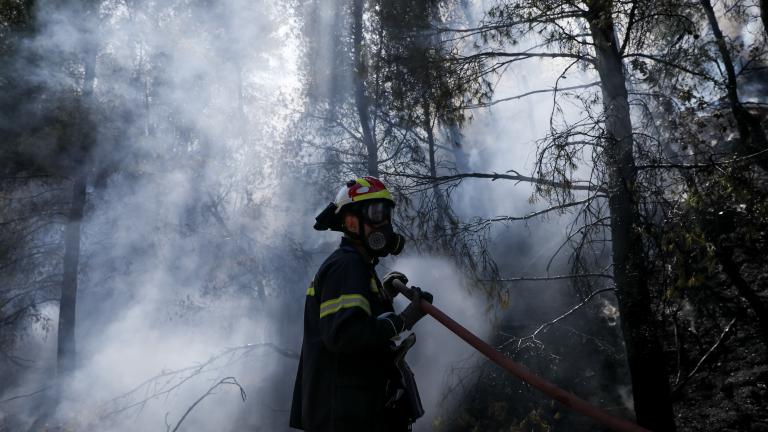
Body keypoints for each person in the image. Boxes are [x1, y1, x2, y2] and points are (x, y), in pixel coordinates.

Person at [289, 176, 433, 432]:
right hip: (345, 416)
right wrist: (401, 321)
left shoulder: (355, 266)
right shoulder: (347, 266)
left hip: (351, 413)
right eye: (375, 213)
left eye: (386, 213)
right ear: (351, 221)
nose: (384, 224)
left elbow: (356, 321)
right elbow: (345, 335)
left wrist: (382, 297)